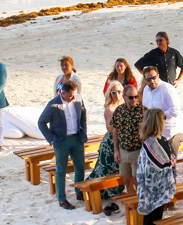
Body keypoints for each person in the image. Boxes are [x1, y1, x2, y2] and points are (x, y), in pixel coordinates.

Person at [38, 81, 87, 210]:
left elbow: (83, 115)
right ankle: (61, 199)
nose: (73, 98)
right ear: (63, 93)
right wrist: (51, 140)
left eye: (75, 95)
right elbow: (41, 122)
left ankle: (79, 192)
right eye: (71, 95)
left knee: (80, 167)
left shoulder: (78, 99)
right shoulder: (54, 104)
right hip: (61, 141)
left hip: (77, 138)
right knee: (61, 170)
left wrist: (83, 132)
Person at [136, 108, 177, 225]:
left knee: (157, 210)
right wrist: (169, 163)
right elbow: (157, 161)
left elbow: (167, 155)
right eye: (163, 119)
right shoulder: (151, 142)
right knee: (151, 211)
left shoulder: (160, 139)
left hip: (159, 184)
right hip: (152, 184)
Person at [91, 83, 125, 213]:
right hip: (111, 143)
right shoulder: (109, 109)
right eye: (113, 92)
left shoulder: (125, 105)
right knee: (108, 168)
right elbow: (110, 128)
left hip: (123, 141)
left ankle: (118, 190)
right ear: (109, 94)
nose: (117, 95)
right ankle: (110, 193)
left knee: (120, 167)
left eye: (119, 92)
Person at [110, 84, 146, 197]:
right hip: (123, 151)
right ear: (124, 97)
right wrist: (116, 150)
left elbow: (149, 133)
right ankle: (133, 206)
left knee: (138, 181)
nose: (134, 99)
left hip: (138, 151)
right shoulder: (119, 111)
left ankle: (141, 206)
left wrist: (144, 153)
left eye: (136, 96)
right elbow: (115, 130)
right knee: (127, 181)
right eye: (131, 97)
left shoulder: (144, 111)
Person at [140, 66, 183, 156]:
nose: (152, 81)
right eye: (148, 79)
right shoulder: (146, 90)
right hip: (155, 134)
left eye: (154, 78)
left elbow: (175, 111)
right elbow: (145, 110)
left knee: (171, 163)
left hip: (171, 132)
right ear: (145, 80)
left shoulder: (168, 89)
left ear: (158, 76)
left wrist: (157, 116)